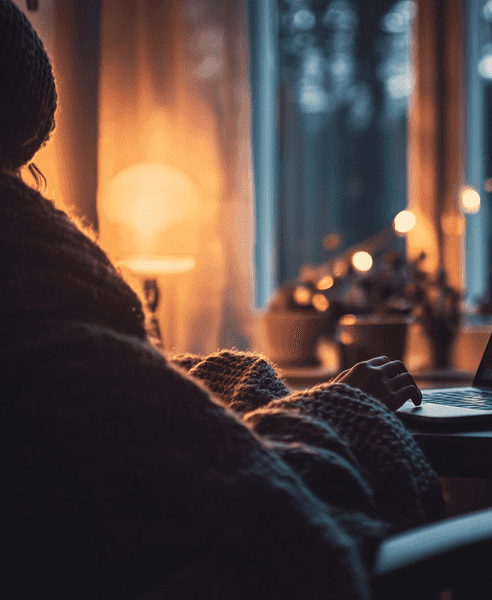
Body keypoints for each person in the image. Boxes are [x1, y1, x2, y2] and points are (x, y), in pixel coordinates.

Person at [0, 1, 443, 598]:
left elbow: (138, 433)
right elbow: (268, 523)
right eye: (24, 169)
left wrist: (224, 383)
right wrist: (341, 407)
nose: (36, 191)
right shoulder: (45, 340)